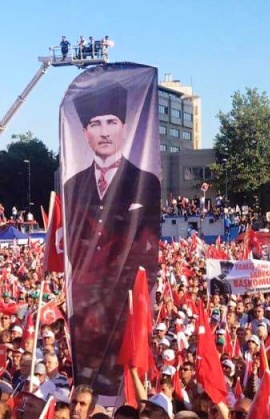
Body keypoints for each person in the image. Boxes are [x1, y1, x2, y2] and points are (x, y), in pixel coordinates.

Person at [63, 80, 160, 395]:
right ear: (85, 134)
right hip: (88, 310)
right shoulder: (72, 186)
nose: (104, 131)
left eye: (111, 122)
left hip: (125, 305)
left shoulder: (146, 182)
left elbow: (147, 249)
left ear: (124, 128)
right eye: (95, 123)